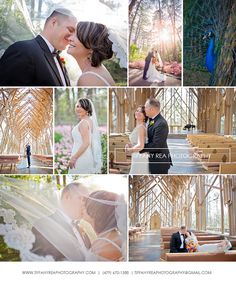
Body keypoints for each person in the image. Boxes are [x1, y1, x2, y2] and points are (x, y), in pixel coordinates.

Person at [0, 8, 77, 86]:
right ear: (54, 23)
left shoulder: (59, 61)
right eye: (70, 30)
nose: (72, 38)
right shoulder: (23, 50)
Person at [31, 182, 89, 261]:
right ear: (67, 197)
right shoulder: (43, 225)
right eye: (82, 199)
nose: (86, 204)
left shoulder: (81, 229)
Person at [67, 21, 115, 86]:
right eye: (72, 34)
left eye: (77, 36)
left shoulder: (88, 78)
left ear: (92, 47)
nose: (69, 38)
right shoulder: (97, 69)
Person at [83, 190, 125, 261]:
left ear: (95, 211)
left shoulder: (101, 246)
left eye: (85, 205)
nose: (82, 207)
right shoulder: (117, 236)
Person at [68, 98, 102, 174]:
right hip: (85, 154)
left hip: (80, 157)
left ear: (87, 109)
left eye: (81, 107)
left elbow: (86, 143)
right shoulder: (89, 121)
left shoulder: (84, 122)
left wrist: (74, 158)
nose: (78, 109)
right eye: (77, 106)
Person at [140, 98, 172, 174]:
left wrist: (140, 147)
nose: (144, 110)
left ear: (151, 109)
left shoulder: (161, 123)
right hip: (153, 159)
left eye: (146, 107)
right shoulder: (153, 120)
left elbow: (156, 145)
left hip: (159, 162)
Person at [125, 106, 149, 174]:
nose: (138, 112)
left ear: (145, 116)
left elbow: (141, 145)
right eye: (137, 110)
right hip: (137, 155)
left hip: (140, 156)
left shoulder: (141, 127)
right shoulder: (138, 127)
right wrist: (129, 144)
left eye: (141, 112)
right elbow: (137, 141)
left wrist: (130, 150)